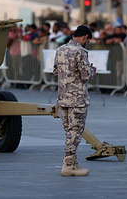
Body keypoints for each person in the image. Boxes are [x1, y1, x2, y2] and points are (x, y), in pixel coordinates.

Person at [53, 25, 96, 176]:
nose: (87, 43)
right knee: (76, 132)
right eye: (87, 40)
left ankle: (74, 163)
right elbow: (85, 75)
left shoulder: (60, 50)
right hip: (77, 99)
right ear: (85, 37)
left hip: (63, 98)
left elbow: (56, 71)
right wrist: (92, 71)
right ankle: (68, 165)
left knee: (69, 132)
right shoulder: (80, 51)